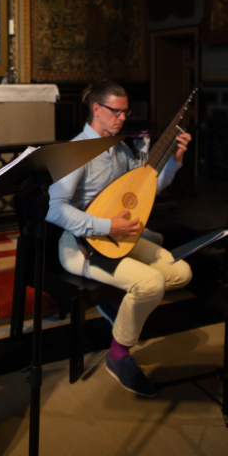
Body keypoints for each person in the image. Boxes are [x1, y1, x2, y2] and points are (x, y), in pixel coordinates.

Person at [46, 80, 193, 397]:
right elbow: (54, 211)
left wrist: (174, 161)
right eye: (116, 111)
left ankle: (116, 303)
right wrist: (104, 225)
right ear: (96, 109)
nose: (123, 118)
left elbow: (144, 191)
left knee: (182, 272)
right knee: (151, 283)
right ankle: (118, 355)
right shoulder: (76, 151)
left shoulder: (119, 148)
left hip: (120, 238)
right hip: (81, 246)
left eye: (126, 112)